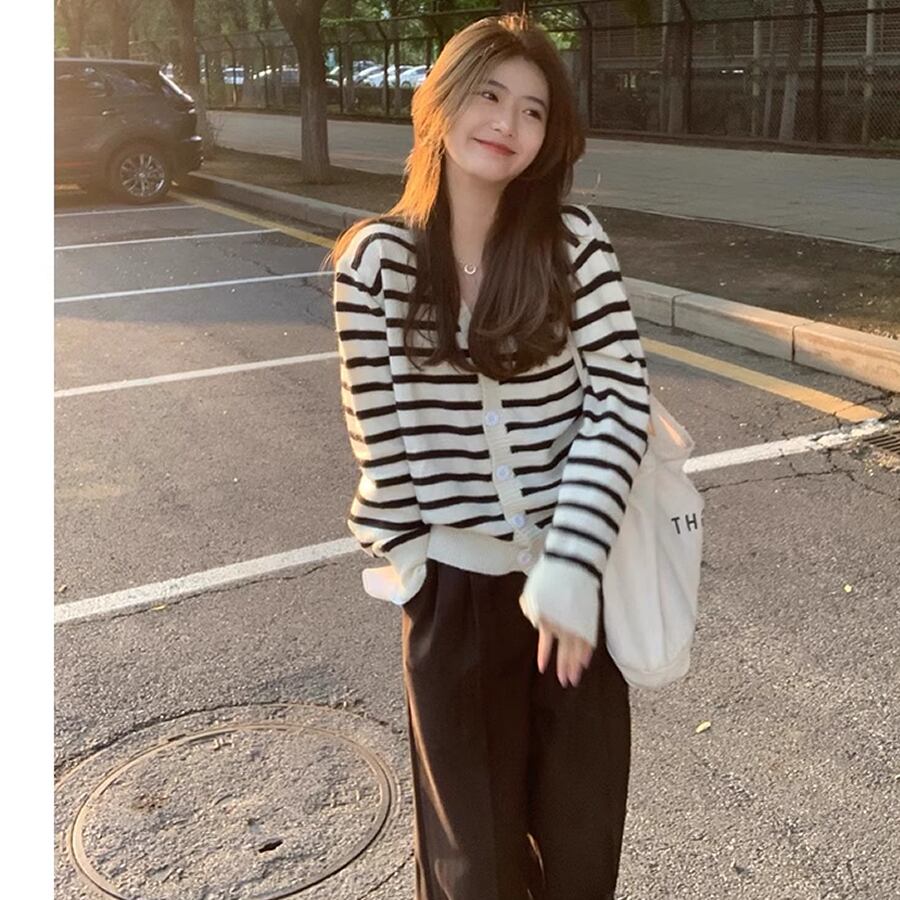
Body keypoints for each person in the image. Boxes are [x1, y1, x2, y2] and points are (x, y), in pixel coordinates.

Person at [329, 13, 651, 900]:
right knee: (474, 866)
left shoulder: (571, 244)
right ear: (438, 102)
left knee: (582, 845)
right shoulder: (376, 262)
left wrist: (572, 559)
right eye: (488, 95)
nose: (508, 123)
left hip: (573, 595)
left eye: (534, 110)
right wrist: (414, 571)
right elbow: (377, 435)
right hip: (453, 598)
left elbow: (621, 400)